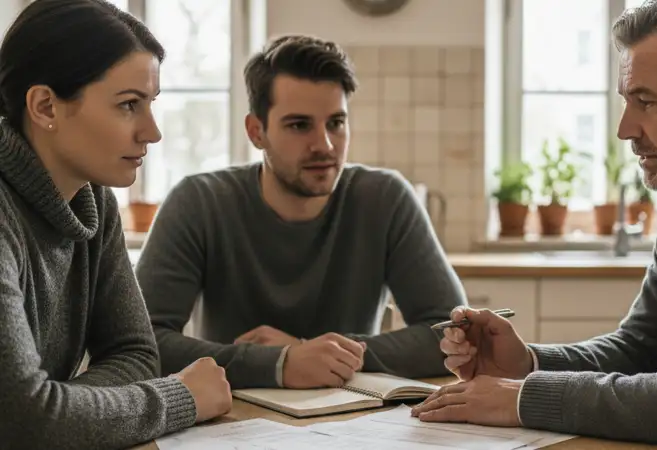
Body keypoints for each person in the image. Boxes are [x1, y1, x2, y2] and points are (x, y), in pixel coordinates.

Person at [411, 1, 657, 449]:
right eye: (625, 102)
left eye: (646, 102)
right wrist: (529, 364)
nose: (624, 129)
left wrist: (523, 399)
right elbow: (641, 349)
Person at [136, 34, 467, 390]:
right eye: (299, 125)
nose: (324, 145)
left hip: (353, 419)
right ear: (256, 131)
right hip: (230, 419)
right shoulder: (199, 202)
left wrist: (312, 354)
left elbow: (454, 336)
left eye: (336, 123)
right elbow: (142, 343)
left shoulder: (385, 198)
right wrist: (279, 363)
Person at [0, 1, 234, 448]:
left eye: (150, 104)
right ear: (45, 105)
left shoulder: (93, 200)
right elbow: (24, 421)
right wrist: (181, 396)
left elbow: (137, 354)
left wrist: (54, 410)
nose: (152, 132)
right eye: (129, 105)